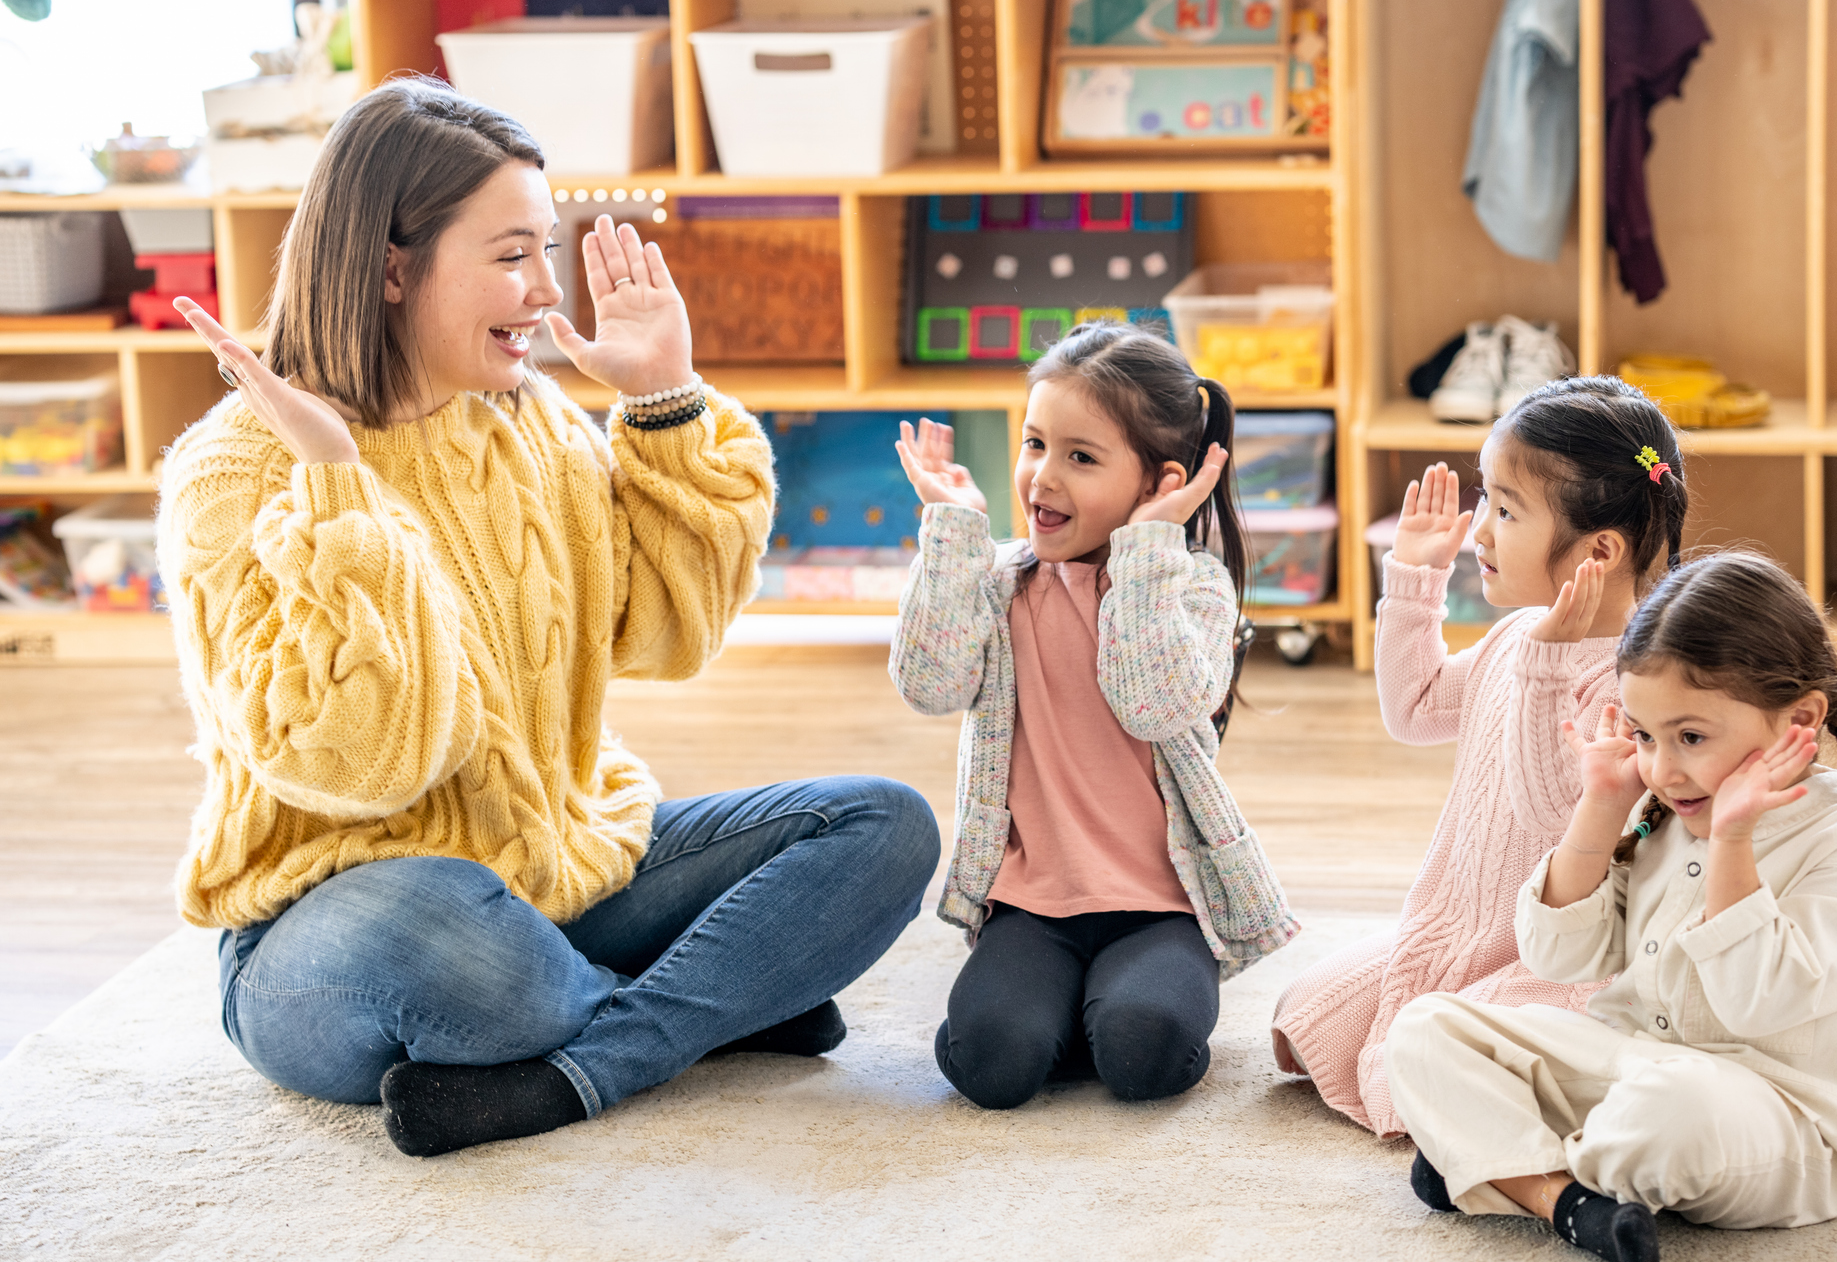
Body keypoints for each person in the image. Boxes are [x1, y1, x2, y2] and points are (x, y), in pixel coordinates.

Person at [156, 78, 938, 1158]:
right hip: (340, 927)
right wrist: (339, 489)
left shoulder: (530, 427)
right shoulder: (236, 468)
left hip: (564, 866)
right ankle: (716, 1004)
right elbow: (356, 769)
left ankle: (594, 1055)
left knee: (881, 825)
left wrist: (664, 397)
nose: (545, 288)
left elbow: (670, 634)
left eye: (548, 248)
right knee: (460, 941)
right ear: (393, 265)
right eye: (513, 253)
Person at [1391, 552, 1837, 1262]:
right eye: (1645, 737)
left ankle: (1497, 1166)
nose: (1663, 770)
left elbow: (1754, 1002)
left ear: (1799, 720)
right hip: (1626, 1063)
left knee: (1668, 1109)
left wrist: (1733, 843)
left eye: (1690, 738)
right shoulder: (1667, 812)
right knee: (1427, 1028)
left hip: (1766, 1113)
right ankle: (1562, 1200)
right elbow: (1560, 958)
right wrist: (1601, 807)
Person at [888, 321, 1297, 1110]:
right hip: (1030, 905)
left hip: (1160, 906)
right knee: (991, 1066)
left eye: (1080, 458)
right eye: (1034, 443)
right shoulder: (1000, 581)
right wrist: (952, 534)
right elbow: (928, 685)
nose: (1041, 476)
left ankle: (1104, 1010)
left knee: (1143, 1057)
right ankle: (1063, 1010)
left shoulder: (1192, 589)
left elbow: (1155, 705)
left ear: (1156, 483)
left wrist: (1148, 547)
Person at [1271, 377, 1688, 1137]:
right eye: (1484, 502)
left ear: (1598, 550)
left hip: (1560, 953)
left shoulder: (1637, 682)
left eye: (1505, 511)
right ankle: (1452, 1015)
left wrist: (1548, 666)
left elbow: (1560, 817)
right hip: (1463, 923)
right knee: (1302, 1019)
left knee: (1423, 1058)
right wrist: (1415, 578)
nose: (1480, 534)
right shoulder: (1515, 636)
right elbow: (1415, 709)